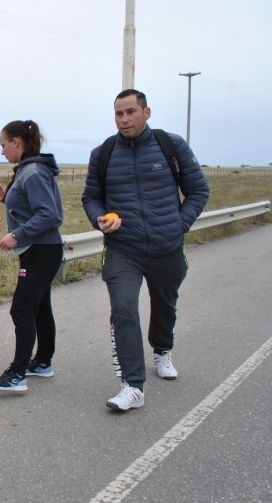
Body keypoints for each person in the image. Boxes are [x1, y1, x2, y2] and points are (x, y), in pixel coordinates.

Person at [81, 89, 210, 411]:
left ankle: (163, 349)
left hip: (167, 246)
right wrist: (98, 219)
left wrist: (178, 226)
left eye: (130, 112)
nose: (124, 119)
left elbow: (198, 191)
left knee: (165, 305)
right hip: (123, 247)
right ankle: (132, 386)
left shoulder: (171, 145)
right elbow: (91, 197)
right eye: (118, 114)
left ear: (146, 112)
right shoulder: (104, 153)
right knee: (123, 309)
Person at [0, 120, 64, 392]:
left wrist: (16, 235)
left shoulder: (32, 172)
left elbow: (48, 214)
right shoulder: (29, 171)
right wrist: (8, 198)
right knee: (40, 307)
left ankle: (17, 375)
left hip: (41, 250)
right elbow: (33, 208)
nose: (2, 151)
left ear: (16, 143)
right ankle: (43, 362)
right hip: (41, 249)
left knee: (21, 308)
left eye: (4, 145)